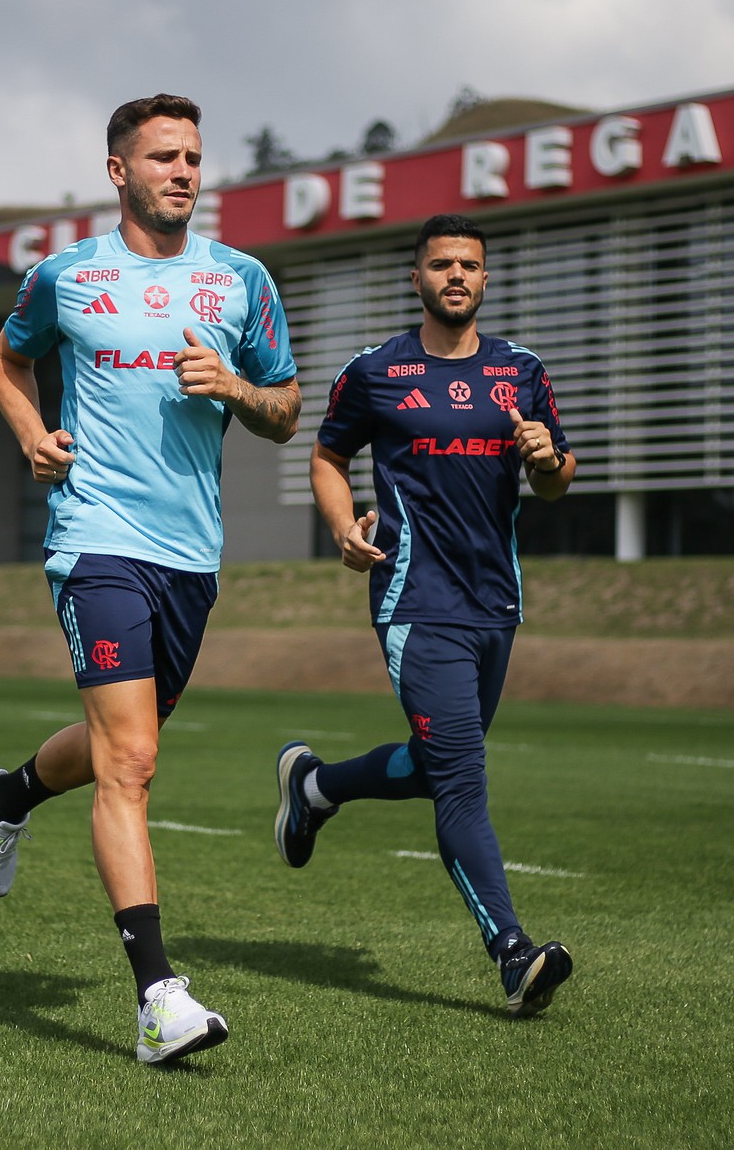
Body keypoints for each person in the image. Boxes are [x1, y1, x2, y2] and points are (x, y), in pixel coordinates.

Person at [0, 93, 301, 1064]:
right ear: (119, 172)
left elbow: (285, 408)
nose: (182, 172)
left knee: (125, 743)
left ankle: (6, 796)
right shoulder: (64, 278)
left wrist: (234, 387)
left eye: (192, 156)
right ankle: (157, 998)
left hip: (192, 557)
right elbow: (4, 362)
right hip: (95, 541)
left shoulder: (241, 280)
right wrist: (33, 438)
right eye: (162, 157)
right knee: (134, 761)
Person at [276, 212, 578, 1017]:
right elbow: (327, 455)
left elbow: (557, 477)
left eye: (468, 265)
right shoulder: (375, 370)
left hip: (495, 601)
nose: (455, 276)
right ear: (416, 278)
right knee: (462, 780)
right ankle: (511, 952)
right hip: (413, 599)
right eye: (441, 264)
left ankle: (314, 786)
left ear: (484, 278)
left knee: (436, 762)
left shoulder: (521, 370)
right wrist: (341, 526)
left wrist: (549, 459)